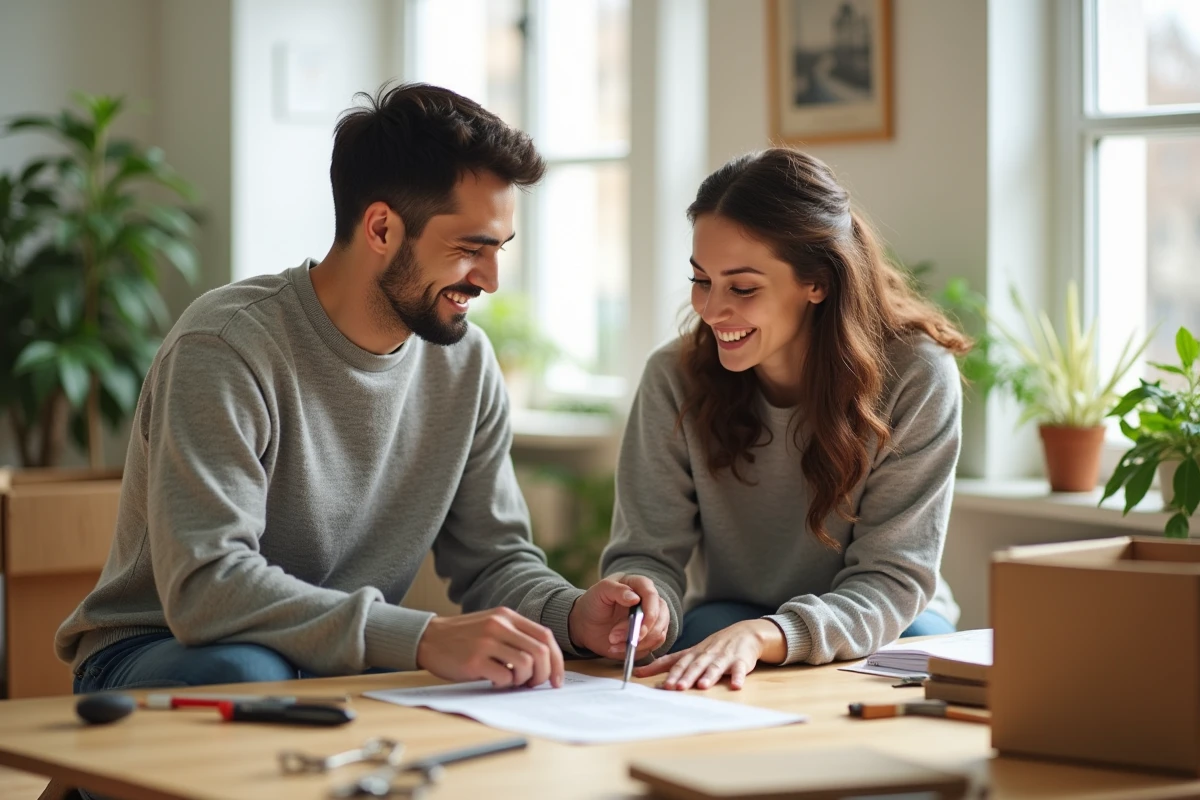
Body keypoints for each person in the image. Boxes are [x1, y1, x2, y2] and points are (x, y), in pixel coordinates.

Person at [56, 83, 668, 694]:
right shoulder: (226, 345)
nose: (491, 278)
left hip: (325, 661)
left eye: (500, 249)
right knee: (248, 671)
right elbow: (207, 587)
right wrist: (422, 639)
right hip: (156, 651)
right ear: (381, 228)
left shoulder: (465, 364)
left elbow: (494, 560)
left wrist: (575, 613)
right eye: (469, 249)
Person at [600, 148, 966, 692]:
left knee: (919, 647)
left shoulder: (916, 375)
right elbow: (647, 551)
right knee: (692, 651)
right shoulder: (672, 377)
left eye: (742, 288)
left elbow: (891, 580)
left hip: (889, 620)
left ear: (816, 281)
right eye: (702, 280)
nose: (712, 309)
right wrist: (643, 600)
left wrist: (768, 634)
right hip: (730, 613)